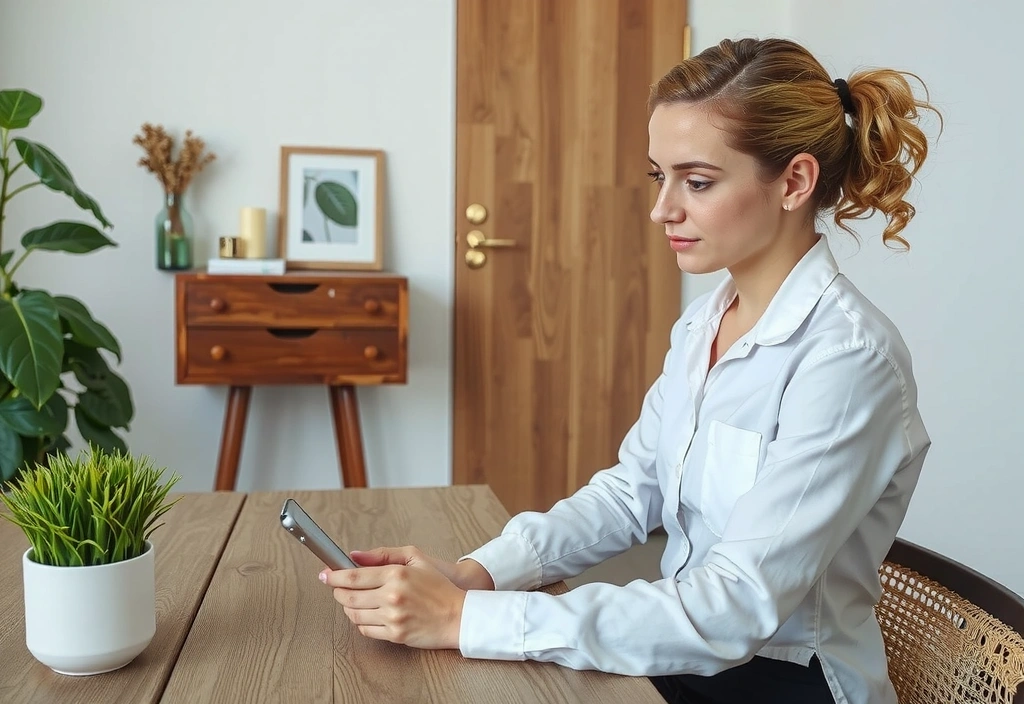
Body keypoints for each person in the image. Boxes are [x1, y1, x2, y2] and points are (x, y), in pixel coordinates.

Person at [318, 37, 941, 704]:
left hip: (781, 679)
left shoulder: (848, 361)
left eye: (696, 182)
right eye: (659, 176)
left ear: (794, 182)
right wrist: (477, 575)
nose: (661, 209)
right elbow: (631, 491)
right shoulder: (705, 323)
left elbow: (734, 606)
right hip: (688, 652)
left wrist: (461, 619)